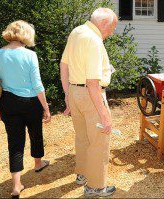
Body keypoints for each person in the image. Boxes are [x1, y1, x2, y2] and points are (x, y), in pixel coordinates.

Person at [60, 8, 118, 197]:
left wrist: (68, 95)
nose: (111, 33)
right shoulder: (94, 41)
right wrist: (104, 115)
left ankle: (82, 175)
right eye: (112, 28)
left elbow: (64, 65)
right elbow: (93, 83)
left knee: (82, 137)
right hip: (91, 95)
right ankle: (96, 186)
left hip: (75, 92)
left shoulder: (77, 32)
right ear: (104, 24)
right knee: (99, 141)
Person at [0, 20, 51, 197]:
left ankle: (16, 185)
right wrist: (46, 108)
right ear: (26, 35)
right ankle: (38, 164)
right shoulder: (30, 55)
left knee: (15, 143)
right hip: (30, 103)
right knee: (35, 133)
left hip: (8, 102)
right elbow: (37, 85)